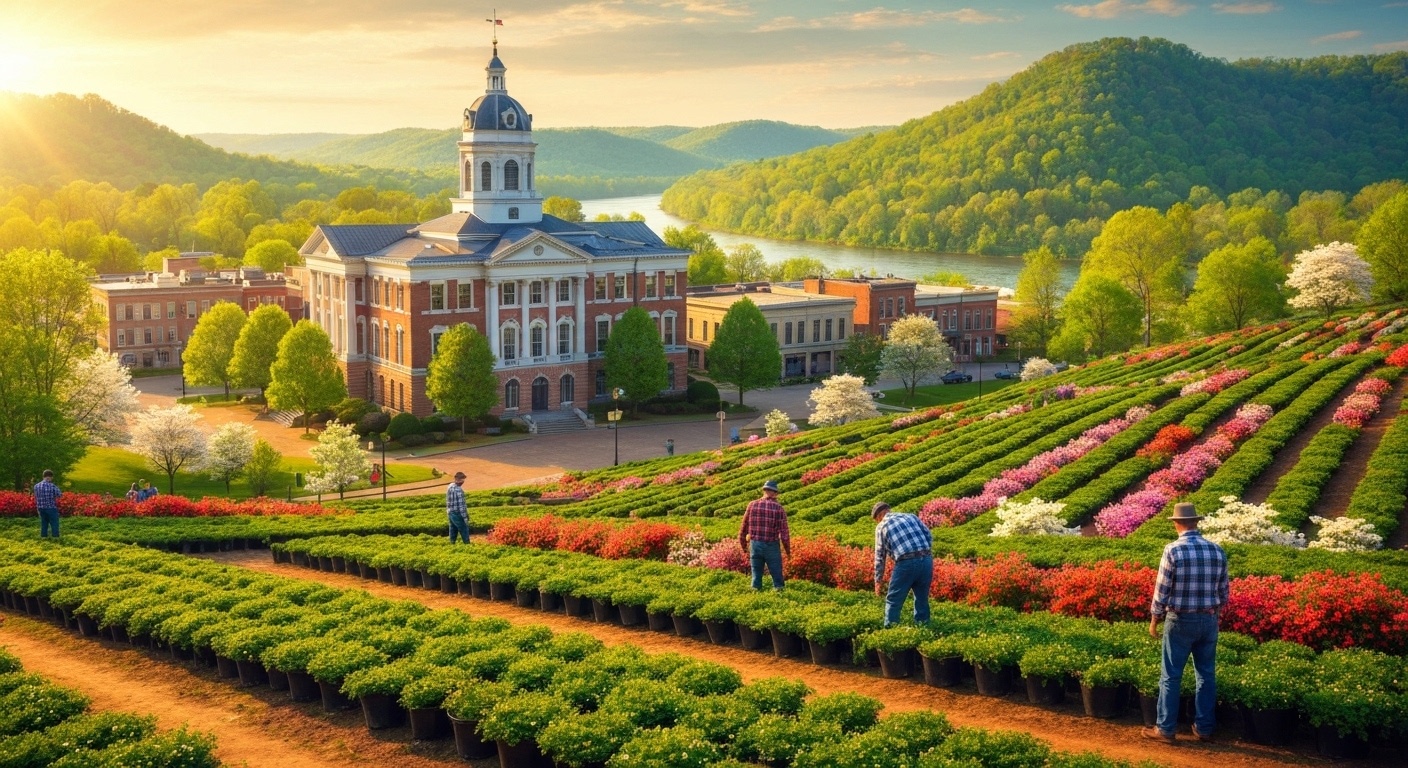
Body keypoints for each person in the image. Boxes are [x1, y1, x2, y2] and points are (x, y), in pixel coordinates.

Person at [1143, 502, 1228, 745]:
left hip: (1180, 620)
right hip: (1208, 619)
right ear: (1196, 522)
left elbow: (1162, 591)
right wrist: (1212, 614)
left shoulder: (1172, 550)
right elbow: (1224, 593)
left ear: (1176, 524)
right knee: (1206, 675)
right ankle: (1204, 728)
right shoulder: (1216, 550)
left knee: (1171, 675)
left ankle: (1166, 729)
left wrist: (1154, 619)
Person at [871, 502, 933, 626]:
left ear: (879, 516)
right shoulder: (911, 516)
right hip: (926, 559)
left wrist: (878, 581)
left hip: (907, 562)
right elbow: (928, 535)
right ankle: (923, 627)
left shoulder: (881, 526)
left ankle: (891, 631)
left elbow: (880, 557)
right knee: (921, 598)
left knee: (893, 600)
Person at [737, 480, 790, 590]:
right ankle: (779, 598)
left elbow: (743, 528)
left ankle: (755, 596)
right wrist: (788, 551)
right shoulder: (778, 508)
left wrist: (744, 546)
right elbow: (784, 533)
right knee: (777, 578)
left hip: (755, 545)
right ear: (774, 493)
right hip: (771, 546)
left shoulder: (752, 505)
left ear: (764, 491)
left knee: (756, 577)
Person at [33, 470, 62, 539]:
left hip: (41, 508)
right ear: (51, 477)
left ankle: (44, 537)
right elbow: (59, 495)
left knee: (44, 523)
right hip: (51, 507)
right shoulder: (52, 486)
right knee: (54, 523)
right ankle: (55, 538)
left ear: (43, 476)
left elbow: (36, 497)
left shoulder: (36, 486)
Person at [446, 471, 470, 544]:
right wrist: (465, 518)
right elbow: (461, 506)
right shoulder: (459, 490)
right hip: (457, 514)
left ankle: (452, 543)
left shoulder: (450, 486)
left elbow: (447, 500)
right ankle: (467, 544)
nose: (462, 481)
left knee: (453, 529)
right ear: (458, 480)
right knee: (464, 529)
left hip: (450, 512)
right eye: (462, 480)